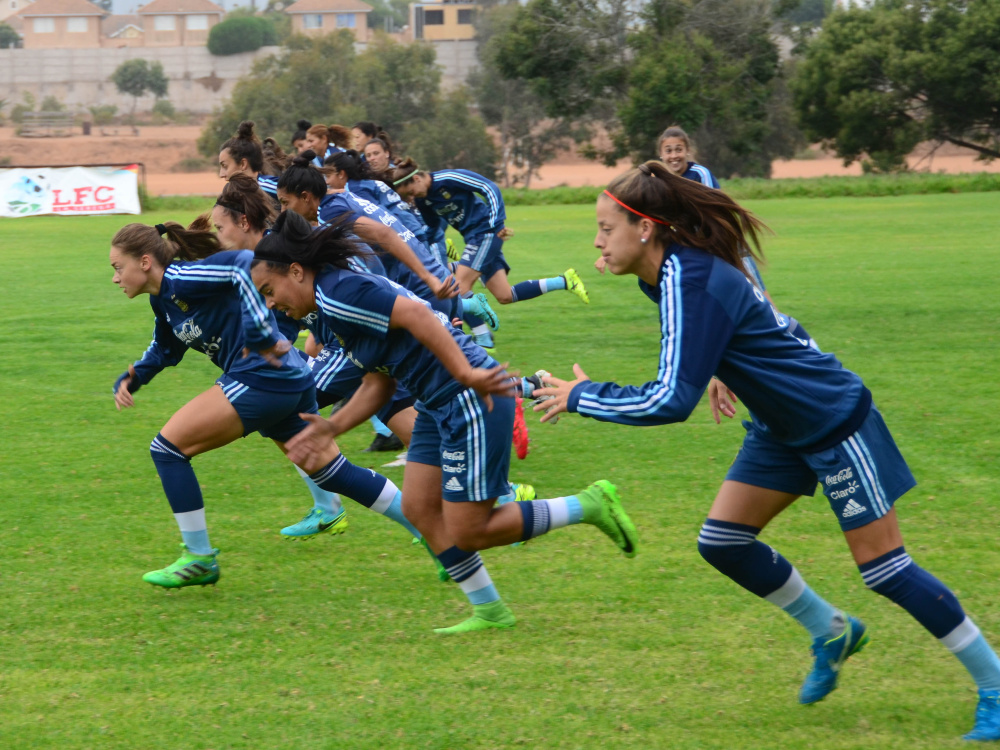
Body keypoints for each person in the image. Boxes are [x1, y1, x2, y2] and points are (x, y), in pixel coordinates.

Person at [531, 160, 1000, 742]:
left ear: (645, 229)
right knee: (723, 542)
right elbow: (754, 322)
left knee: (886, 570)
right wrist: (723, 366)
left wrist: (583, 396)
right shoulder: (668, 275)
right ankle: (832, 630)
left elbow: (670, 400)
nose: (598, 242)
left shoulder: (687, 277)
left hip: (831, 422)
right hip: (780, 426)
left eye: (606, 229)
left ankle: (994, 684)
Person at [250, 210, 639, 633]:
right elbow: (379, 381)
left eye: (269, 290)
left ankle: (589, 504)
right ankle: (490, 611)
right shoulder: (330, 307)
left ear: (296, 271)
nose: (271, 303)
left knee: (469, 530)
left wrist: (467, 372)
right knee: (419, 508)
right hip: (438, 402)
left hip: (467, 396)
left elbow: (418, 316)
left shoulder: (338, 292)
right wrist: (333, 427)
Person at [109, 221, 412, 588]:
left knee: (168, 449)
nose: (115, 278)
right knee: (333, 473)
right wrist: (134, 378)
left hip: (262, 376)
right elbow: (166, 347)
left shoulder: (183, 277)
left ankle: (200, 558)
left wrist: (258, 332)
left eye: (118, 267)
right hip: (283, 379)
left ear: (144, 262)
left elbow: (243, 265)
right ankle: (432, 529)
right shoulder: (163, 299)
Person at [391, 157, 590, 311]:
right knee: (505, 295)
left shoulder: (448, 179)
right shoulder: (424, 200)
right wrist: (415, 245)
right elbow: (432, 228)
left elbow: (488, 187)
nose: (412, 198)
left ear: (417, 178)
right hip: (473, 239)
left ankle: (469, 338)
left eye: (411, 192)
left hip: (485, 233)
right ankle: (565, 281)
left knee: (457, 288)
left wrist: (497, 222)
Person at [217, 120, 280, 201]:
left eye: (225, 166)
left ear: (243, 164)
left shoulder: (275, 188)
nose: (221, 174)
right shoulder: (230, 195)